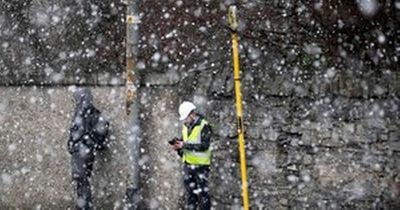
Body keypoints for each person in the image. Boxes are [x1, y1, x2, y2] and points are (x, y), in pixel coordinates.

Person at [68, 87, 110, 210]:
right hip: (80, 151)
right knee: (80, 180)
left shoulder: (89, 113)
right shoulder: (81, 113)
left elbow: (99, 133)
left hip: (83, 152)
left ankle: (84, 206)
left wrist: (87, 142)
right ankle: (83, 205)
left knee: (81, 179)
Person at [171, 101, 212, 210]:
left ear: (192, 114)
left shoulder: (204, 125)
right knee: (190, 197)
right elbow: (185, 145)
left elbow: (204, 145)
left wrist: (185, 145)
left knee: (203, 196)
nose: (185, 120)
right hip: (188, 167)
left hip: (201, 167)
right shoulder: (185, 126)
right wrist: (178, 148)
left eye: (186, 117)